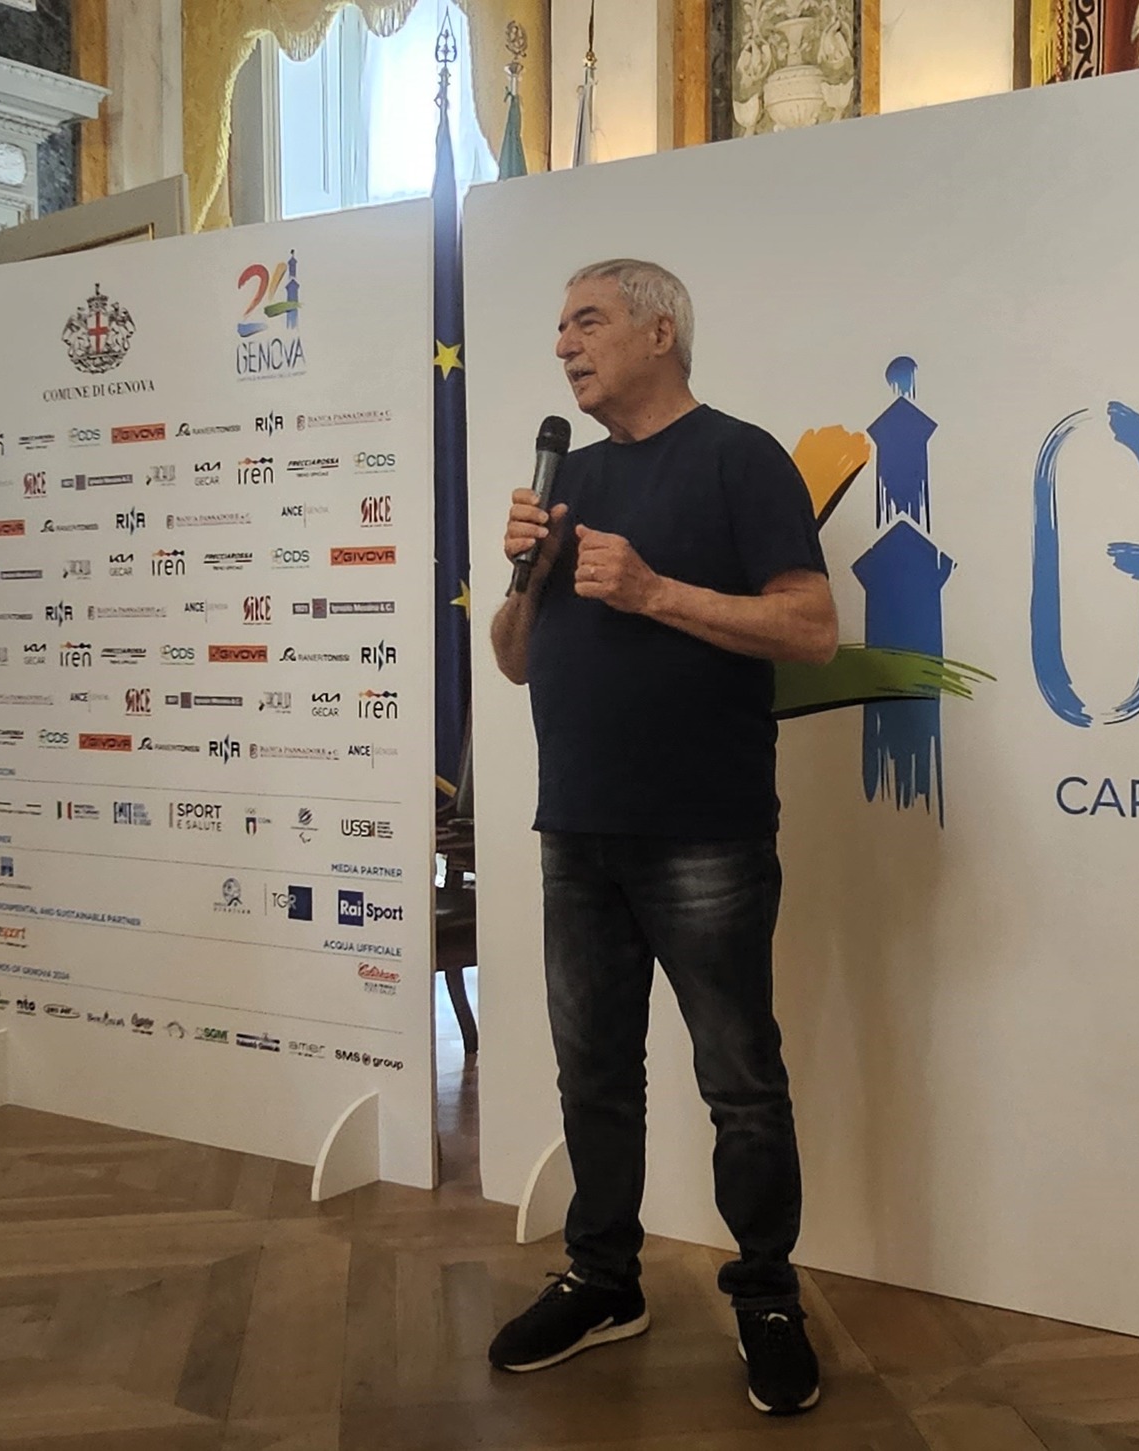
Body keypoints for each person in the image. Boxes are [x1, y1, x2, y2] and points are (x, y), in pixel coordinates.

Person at [485, 259, 838, 1417]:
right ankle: (603, 1278)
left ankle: (766, 1297)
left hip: (704, 833)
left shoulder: (741, 457)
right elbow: (513, 657)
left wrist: (651, 591)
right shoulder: (568, 482)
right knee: (591, 1072)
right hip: (574, 825)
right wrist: (525, 580)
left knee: (738, 1080)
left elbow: (811, 628)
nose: (562, 343)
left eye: (585, 320)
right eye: (558, 326)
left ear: (657, 332)